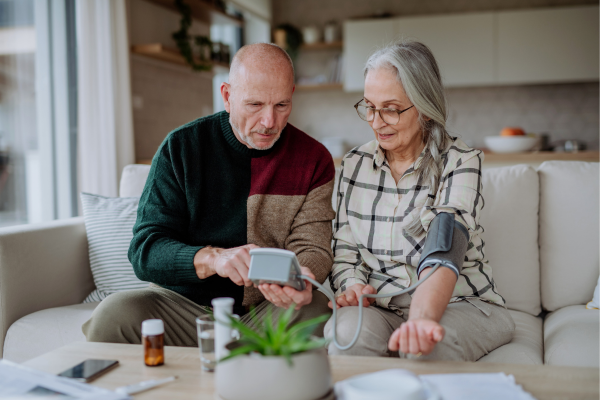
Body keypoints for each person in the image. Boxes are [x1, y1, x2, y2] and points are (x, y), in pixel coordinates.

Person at [83, 43, 335, 346]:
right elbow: (145, 250)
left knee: (315, 308)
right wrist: (212, 259)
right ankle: (243, 360)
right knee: (115, 313)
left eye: (281, 105)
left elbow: (314, 248)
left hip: (266, 311)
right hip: (183, 308)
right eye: (255, 105)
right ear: (227, 96)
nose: (270, 121)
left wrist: (302, 279)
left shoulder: (314, 158)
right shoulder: (181, 148)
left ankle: (239, 365)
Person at [325, 40, 515, 361]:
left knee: (425, 348)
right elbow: (345, 252)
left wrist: (421, 319)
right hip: (382, 307)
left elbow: (444, 250)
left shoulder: (460, 161)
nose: (376, 121)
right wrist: (354, 286)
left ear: (424, 108)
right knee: (347, 337)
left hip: (459, 303)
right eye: (369, 106)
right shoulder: (354, 165)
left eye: (391, 108)